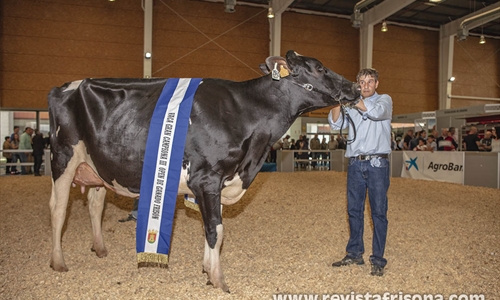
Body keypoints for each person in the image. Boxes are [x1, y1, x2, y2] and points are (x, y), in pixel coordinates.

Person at [328, 68, 392, 277]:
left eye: (369, 81)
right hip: (355, 163)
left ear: (377, 84)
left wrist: (352, 99)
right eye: (361, 82)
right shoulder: (352, 105)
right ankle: (355, 253)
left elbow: (375, 114)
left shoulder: (384, 99)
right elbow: (335, 123)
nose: (365, 86)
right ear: (357, 84)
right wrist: (338, 100)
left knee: (378, 213)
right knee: (354, 211)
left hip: (377, 164)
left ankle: (378, 259)